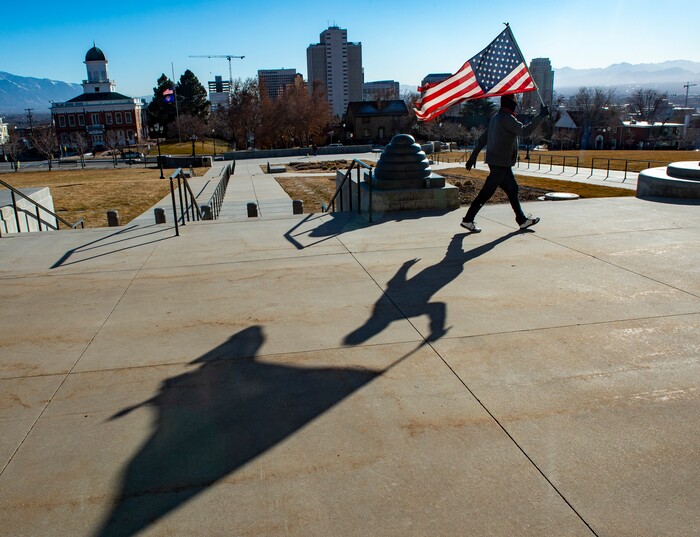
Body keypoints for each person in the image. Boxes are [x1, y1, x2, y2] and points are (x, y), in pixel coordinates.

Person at [461, 93, 550, 233]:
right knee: (486, 193)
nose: (516, 103)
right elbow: (525, 131)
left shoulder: (496, 118)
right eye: (514, 101)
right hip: (500, 164)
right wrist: (541, 115)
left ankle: (522, 220)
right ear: (509, 103)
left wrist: (473, 156)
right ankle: (468, 220)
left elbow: (483, 139)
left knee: (513, 190)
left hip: (499, 163)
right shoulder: (506, 118)